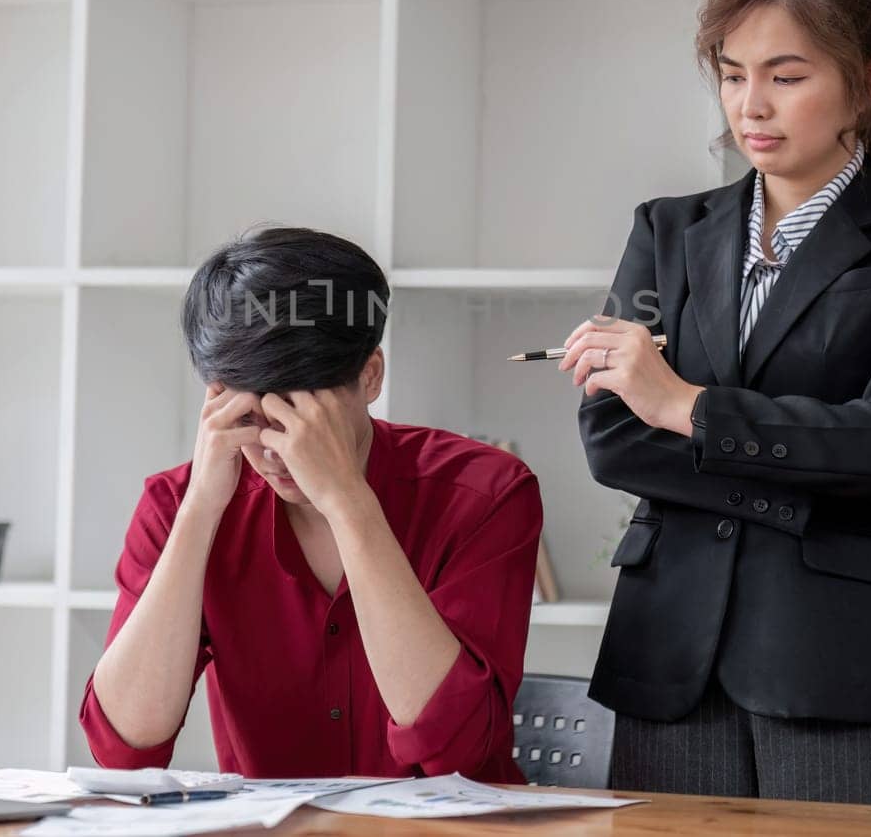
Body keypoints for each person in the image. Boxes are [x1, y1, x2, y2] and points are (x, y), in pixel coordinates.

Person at [558, 0, 871, 807]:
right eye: (731, 74)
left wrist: (686, 404)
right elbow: (613, 437)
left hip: (847, 659)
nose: (749, 105)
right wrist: (837, 470)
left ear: (869, 83)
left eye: (786, 76)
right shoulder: (668, 229)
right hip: (667, 654)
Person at [80, 227, 541, 782]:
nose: (277, 450)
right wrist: (200, 509)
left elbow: (456, 749)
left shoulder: (485, 493)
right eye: (251, 417)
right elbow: (125, 749)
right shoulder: (176, 503)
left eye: (300, 415)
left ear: (369, 376)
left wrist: (349, 501)